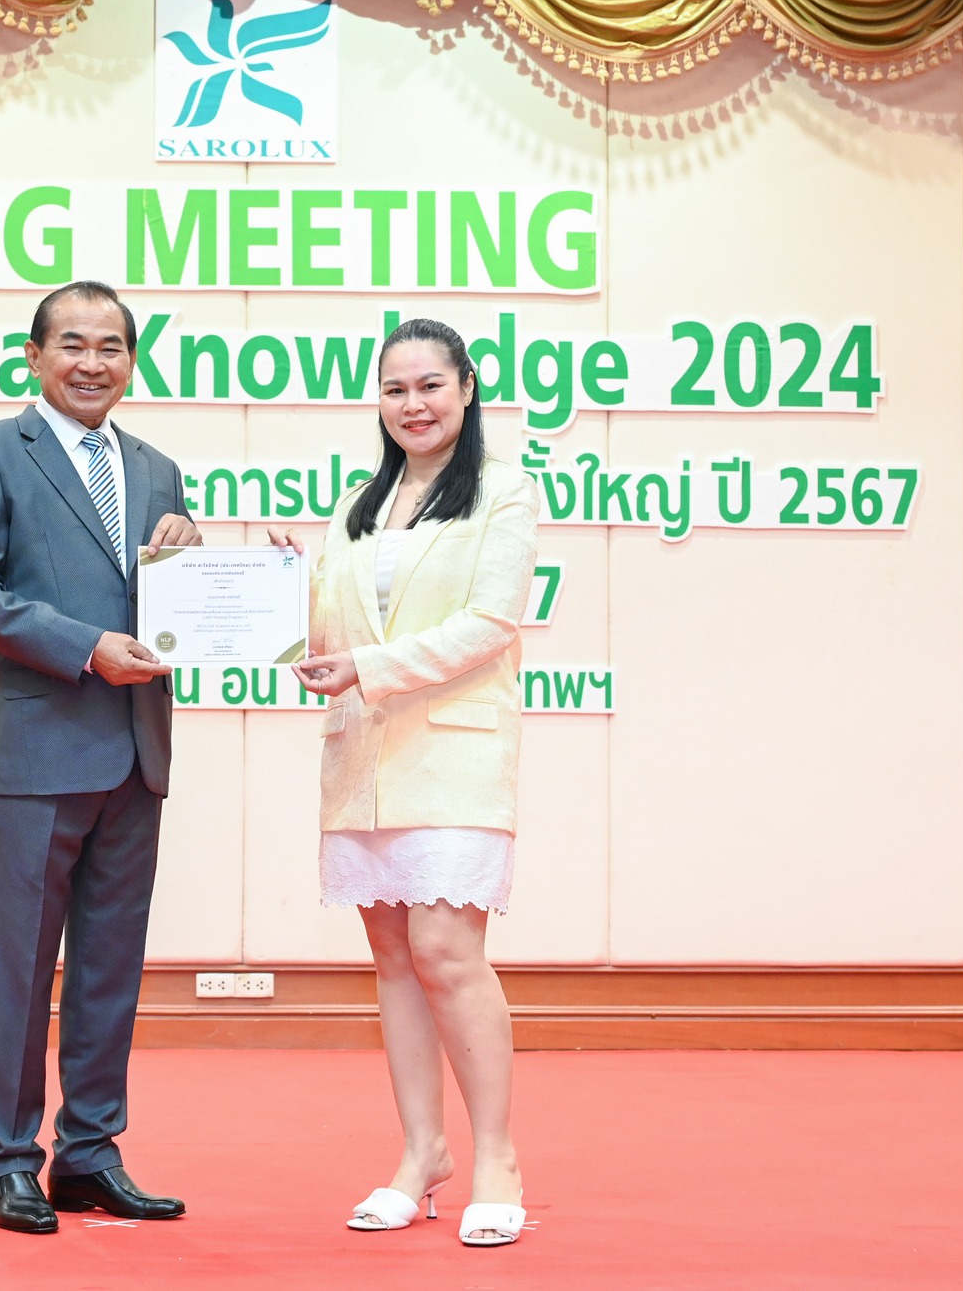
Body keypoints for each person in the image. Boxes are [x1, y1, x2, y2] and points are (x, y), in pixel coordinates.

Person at [0, 280, 202, 1235]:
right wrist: (85, 646)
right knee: (20, 963)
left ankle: (89, 1153)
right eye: (73, 345)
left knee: (109, 967)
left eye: (111, 347)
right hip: (43, 748)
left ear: (132, 360)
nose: (93, 363)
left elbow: (168, 603)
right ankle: (8, 1160)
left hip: (137, 751)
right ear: (34, 356)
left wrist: (192, 553)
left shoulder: (159, 469)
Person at [269, 318, 540, 1248]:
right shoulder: (358, 505)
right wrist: (288, 586)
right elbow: (326, 644)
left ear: (467, 388)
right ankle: (423, 1153)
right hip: (363, 762)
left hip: (455, 755)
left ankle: (496, 1157)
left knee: (446, 950)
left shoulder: (503, 492)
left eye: (430, 385)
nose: (413, 405)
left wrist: (368, 667)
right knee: (392, 959)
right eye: (395, 389)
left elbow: (491, 622)